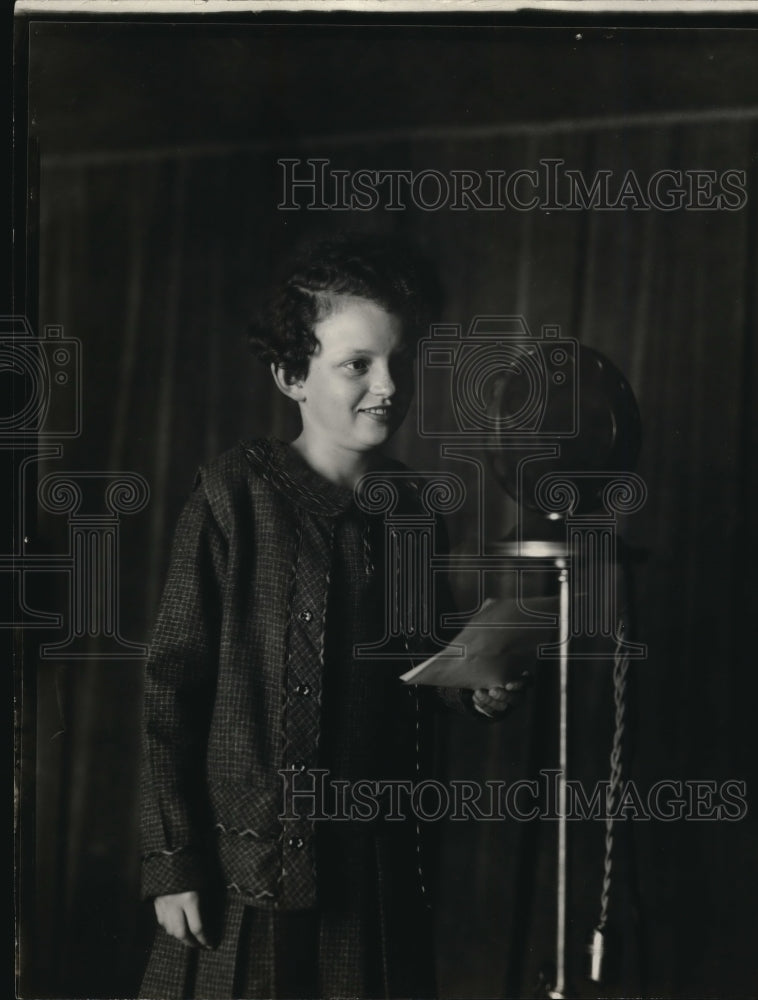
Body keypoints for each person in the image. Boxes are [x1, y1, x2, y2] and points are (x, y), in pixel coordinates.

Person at [139, 233, 526, 999]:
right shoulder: (231, 498)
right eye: (358, 364)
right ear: (291, 375)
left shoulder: (412, 509)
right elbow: (169, 686)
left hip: (368, 867)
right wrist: (174, 862)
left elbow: (419, 658)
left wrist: (472, 683)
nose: (387, 385)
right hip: (245, 871)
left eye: (398, 361)